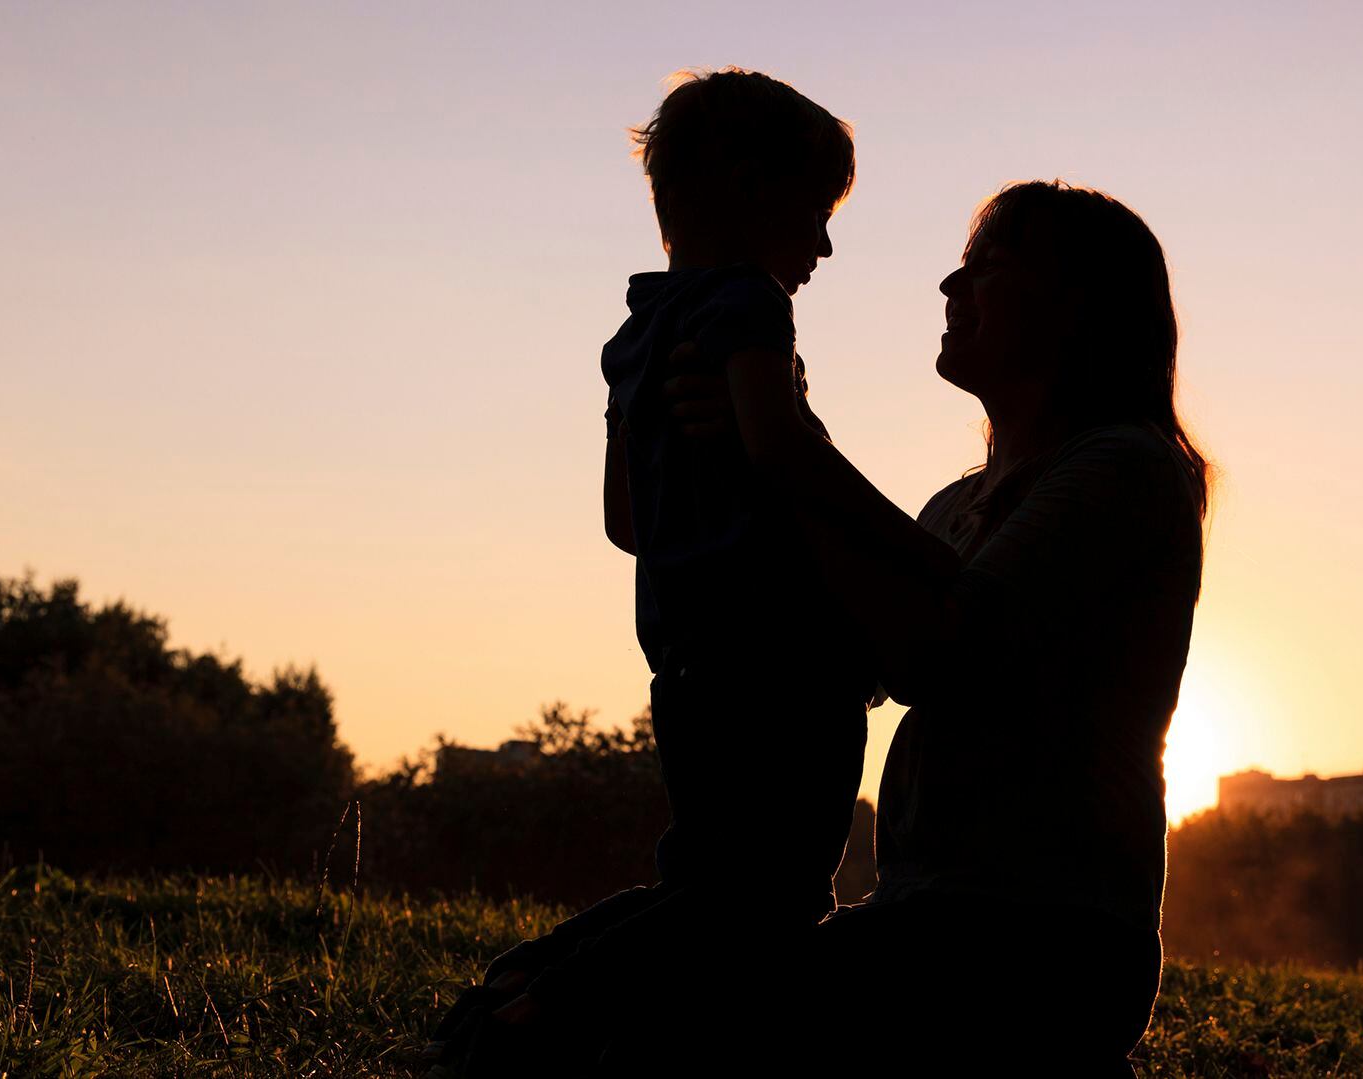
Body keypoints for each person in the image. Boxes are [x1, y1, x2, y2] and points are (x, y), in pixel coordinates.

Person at [613, 180, 1209, 1076]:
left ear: (1076, 306)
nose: (949, 288)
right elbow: (847, 657)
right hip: (922, 915)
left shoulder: (1125, 470)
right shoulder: (953, 506)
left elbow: (937, 650)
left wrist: (788, 450)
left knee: (679, 1023)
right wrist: (730, 460)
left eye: (988, 269)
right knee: (601, 979)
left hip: (1046, 939)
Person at [428, 68, 877, 1076]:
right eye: (815, 213)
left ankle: (523, 991)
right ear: (752, 191)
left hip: (686, 662)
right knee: (768, 896)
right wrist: (798, 437)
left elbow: (624, 520)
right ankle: (539, 1011)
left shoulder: (636, 333)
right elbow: (780, 449)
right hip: (781, 662)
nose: (824, 246)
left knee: (709, 882)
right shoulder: (751, 305)